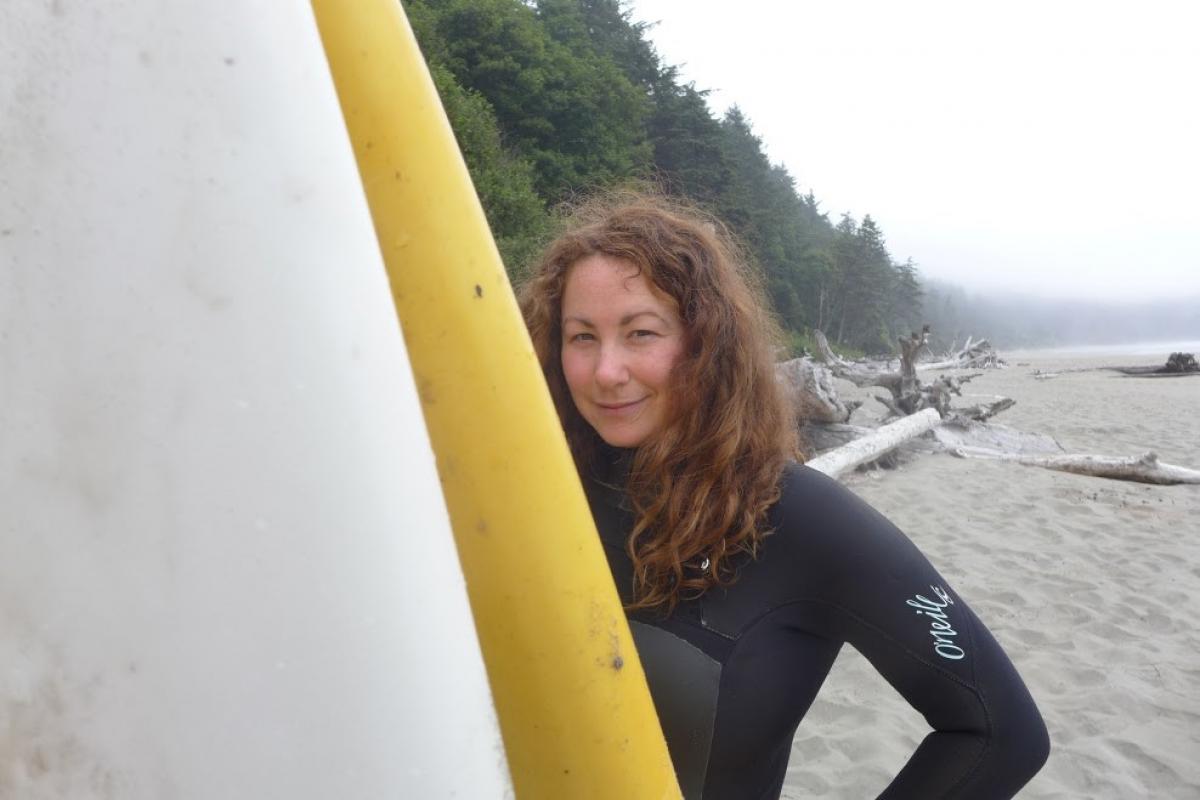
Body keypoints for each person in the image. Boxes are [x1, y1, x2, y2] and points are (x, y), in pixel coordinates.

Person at [519, 193, 1049, 800]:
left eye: (641, 333)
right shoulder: (540, 491)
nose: (606, 371)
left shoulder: (798, 520)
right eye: (581, 337)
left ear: (707, 345)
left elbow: (1001, 733)